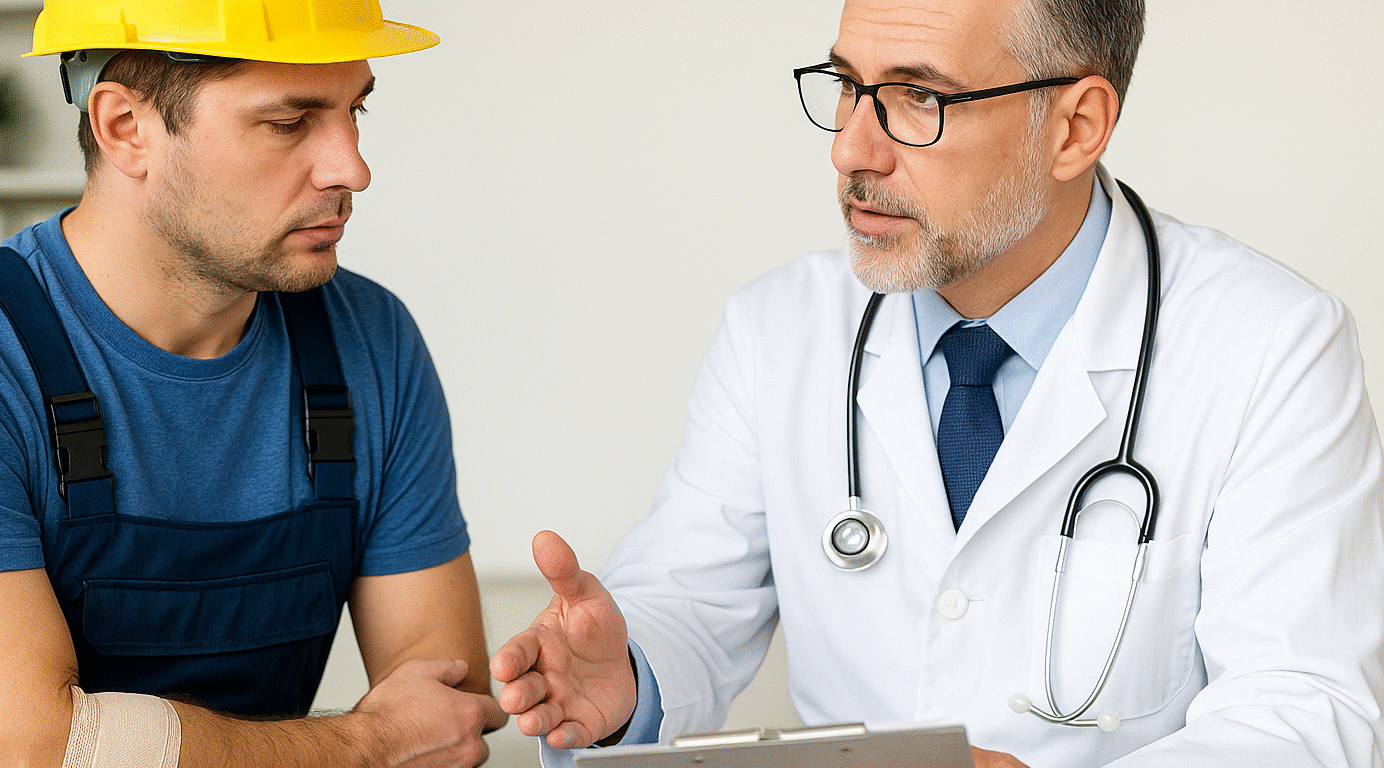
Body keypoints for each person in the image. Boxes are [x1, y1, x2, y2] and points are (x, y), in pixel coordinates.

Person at [491, 0, 1384, 766]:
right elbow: (690, 601)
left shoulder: (1272, 347)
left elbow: (1306, 715)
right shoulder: (779, 330)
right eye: (848, 86)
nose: (851, 149)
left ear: (1076, 126)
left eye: (920, 96)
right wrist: (630, 676)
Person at [0, 1, 509, 766]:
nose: (352, 168)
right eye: (290, 123)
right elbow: (23, 752)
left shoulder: (369, 339)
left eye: (354, 110)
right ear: (126, 127)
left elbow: (441, 712)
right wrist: (364, 742)